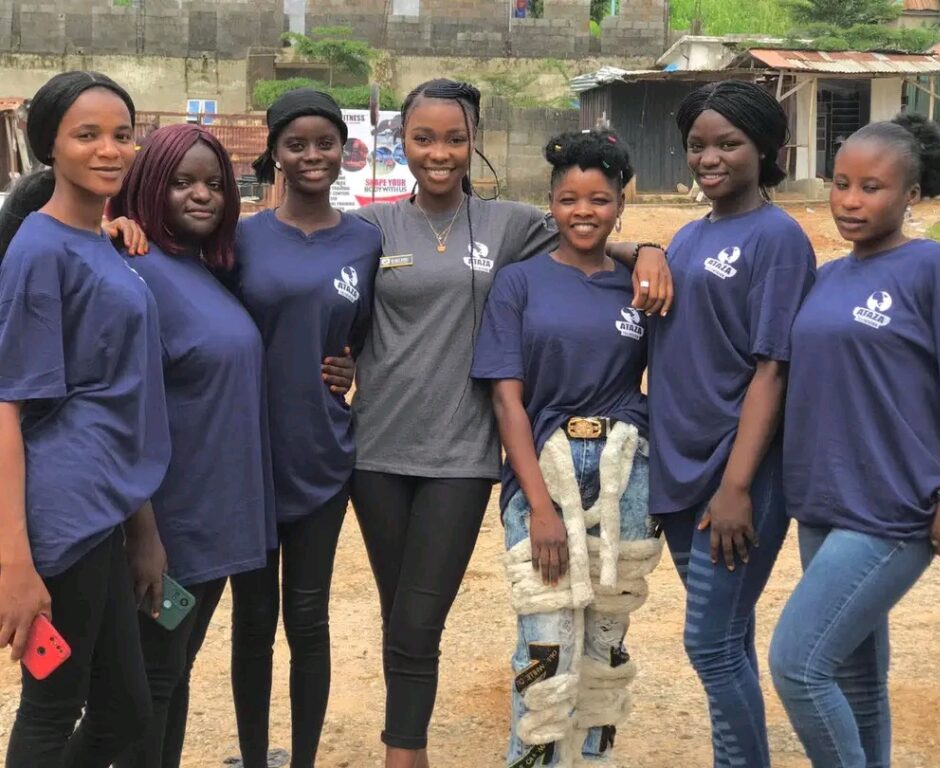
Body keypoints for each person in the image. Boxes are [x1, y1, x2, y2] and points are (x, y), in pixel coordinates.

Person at [344, 78, 672, 768]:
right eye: (423, 138)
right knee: (399, 614)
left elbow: (586, 230)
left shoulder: (508, 224)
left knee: (422, 616)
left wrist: (647, 249)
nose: (439, 152)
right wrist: (329, 360)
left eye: (454, 138)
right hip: (377, 448)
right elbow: (319, 288)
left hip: (463, 455)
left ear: (474, 143)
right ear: (401, 141)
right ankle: (409, 750)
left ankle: (406, 754)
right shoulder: (371, 228)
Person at [769, 113, 940, 768]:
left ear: (911, 193)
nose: (850, 201)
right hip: (823, 505)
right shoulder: (827, 277)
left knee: (798, 665)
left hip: (892, 510)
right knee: (854, 679)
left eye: (871, 188)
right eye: (841, 183)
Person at [472, 129, 663, 767]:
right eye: (569, 199)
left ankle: (594, 759)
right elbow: (507, 401)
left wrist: (652, 253)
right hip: (544, 473)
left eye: (600, 199)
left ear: (621, 206)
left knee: (606, 644)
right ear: (550, 205)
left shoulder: (638, 284)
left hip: (626, 476)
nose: (584, 212)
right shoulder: (518, 284)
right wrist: (540, 508)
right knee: (546, 644)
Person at [0, 71, 171, 766]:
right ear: (50, 146)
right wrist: (14, 562)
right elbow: (7, 404)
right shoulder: (39, 251)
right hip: (62, 511)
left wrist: (142, 530)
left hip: (103, 504)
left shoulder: (97, 240)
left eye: (122, 135)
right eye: (87, 135)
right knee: (50, 709)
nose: (109, 149)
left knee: (125, 714)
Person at [645, 80, 816, 767]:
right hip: (678, 469)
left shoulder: (778, 239)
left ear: (766, 149)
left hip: (737, 475)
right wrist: (643, 249)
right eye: (697, 145)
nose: (708, 158)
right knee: (729, 634)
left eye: (728, 144)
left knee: (710, 643)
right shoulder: (688, 236)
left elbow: (773, 370)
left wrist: (738, 486)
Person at [107, 124, 275, 768]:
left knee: (172, 674)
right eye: (181, 182)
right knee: (149, 685)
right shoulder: (133, 270)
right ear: (150, 185)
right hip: (168, 530)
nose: (201, 195)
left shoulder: (200, 268)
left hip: (211, 524)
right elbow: (122, 415)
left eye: (213, 183)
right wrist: (144, 534)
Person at [228, 88, 382, 768]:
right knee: (253, 622)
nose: (312, 155)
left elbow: (370, 334)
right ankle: (254, 758)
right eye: (297, 144)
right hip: (249, 456)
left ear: (344, 149)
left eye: (325, 142)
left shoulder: (366, 241)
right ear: (275, 153)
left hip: (322, 454)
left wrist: (352, 364)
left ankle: (303, 762)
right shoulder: (241, 237)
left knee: (309, 620)